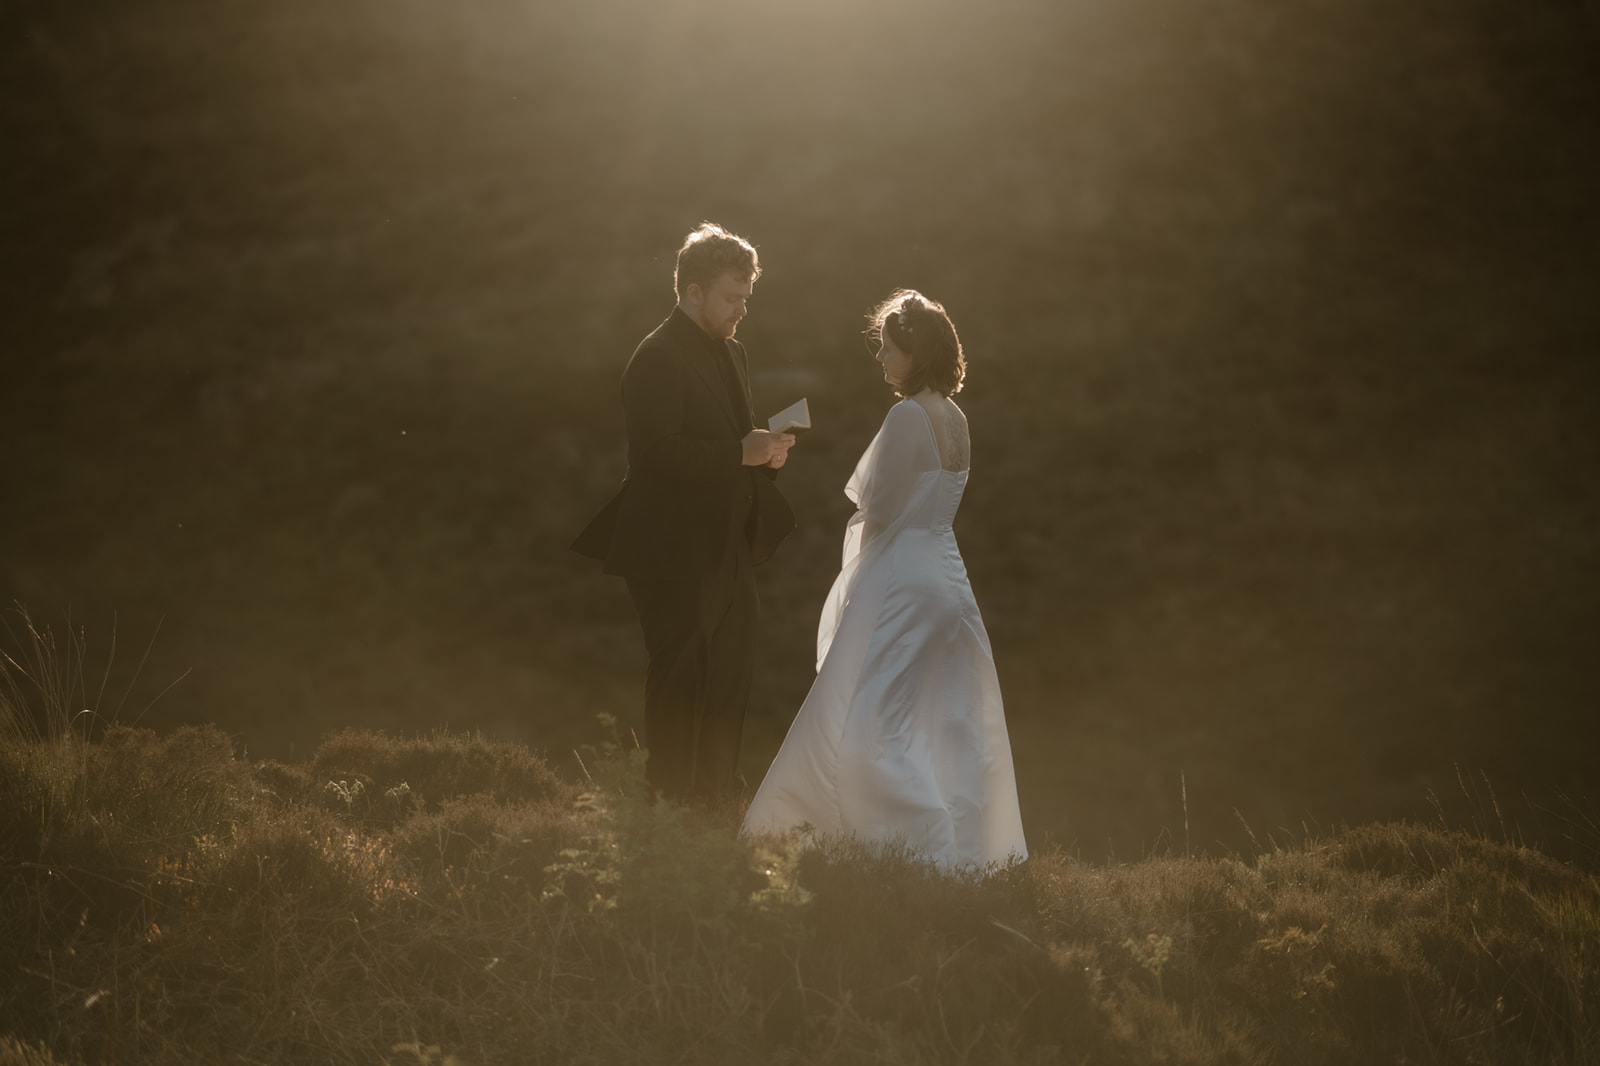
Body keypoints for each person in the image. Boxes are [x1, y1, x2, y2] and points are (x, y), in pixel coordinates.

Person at [742, 289, 1026, 869]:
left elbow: (880, 512)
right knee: (945, 720)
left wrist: (855, 588)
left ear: (913, 353)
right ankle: (967, 845)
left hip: (902, 577)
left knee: (871, 720)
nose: (880, 359)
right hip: (947, 575)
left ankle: (907, 847)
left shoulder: (907, 414)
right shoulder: (957, 418)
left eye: (888, 349)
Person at [571, 223, 796, 800]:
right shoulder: (655, 356)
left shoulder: (734, 352)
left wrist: (765, 454)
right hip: (672, 551)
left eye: (746, 298)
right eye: (730, 298)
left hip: (729, 550)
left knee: (729, 682)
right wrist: (738, 451)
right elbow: (655, 454)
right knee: (679, 684)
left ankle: (716, 811)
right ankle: (670, 819)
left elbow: (730, 441)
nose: (740, 309)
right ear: (692, 292)